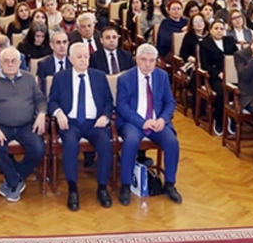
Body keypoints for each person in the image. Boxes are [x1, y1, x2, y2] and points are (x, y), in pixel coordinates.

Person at [48, 43, 114, 210]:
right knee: (70, 144)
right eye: (79, 57)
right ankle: (73, 188)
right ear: (70, 59)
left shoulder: (99, 76)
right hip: (71, 122)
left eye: (86, 56)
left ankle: (102, 187)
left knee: (106, 144)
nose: (84, 60)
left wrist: (106, 116)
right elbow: (52, 101)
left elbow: (108, 101)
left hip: (95, 122)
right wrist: (58, 113)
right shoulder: (60, 77)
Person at [115, 44, 181, 205]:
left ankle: (170, 184)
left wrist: (162, 120)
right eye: (144, 60)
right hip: (134, 122)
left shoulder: (162, 76)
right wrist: (142, 122)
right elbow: (122, 106)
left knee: (172, 142)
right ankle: (125, 185)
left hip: (157, 122)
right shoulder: (125, 78)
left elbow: (170, 102)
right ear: (137, 60)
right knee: (130, 142)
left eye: (152, 60)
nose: (147, 64)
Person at [0, 47, 47, 202]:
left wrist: (42, 114)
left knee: (38, 149)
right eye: (6, 61)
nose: (10, 64)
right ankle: (15, 182)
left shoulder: (30, 79)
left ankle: (13, 180)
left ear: (20, 62)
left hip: (26, 125)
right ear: (0, 62)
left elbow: (41, 100)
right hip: (1, 126)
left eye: (13, 61)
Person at [199, 19, 234, 135]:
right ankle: (218, 118)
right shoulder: (205, 44)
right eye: (216, 28)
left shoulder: (229, 41)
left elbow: (236, 57)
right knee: (222, 92)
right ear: (210, 30)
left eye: (221, 29)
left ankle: (232, 117)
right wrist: (218, 73)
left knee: (238, 91)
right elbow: (205, 64)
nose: (219, 31)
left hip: (230, 73)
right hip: (214, 75)